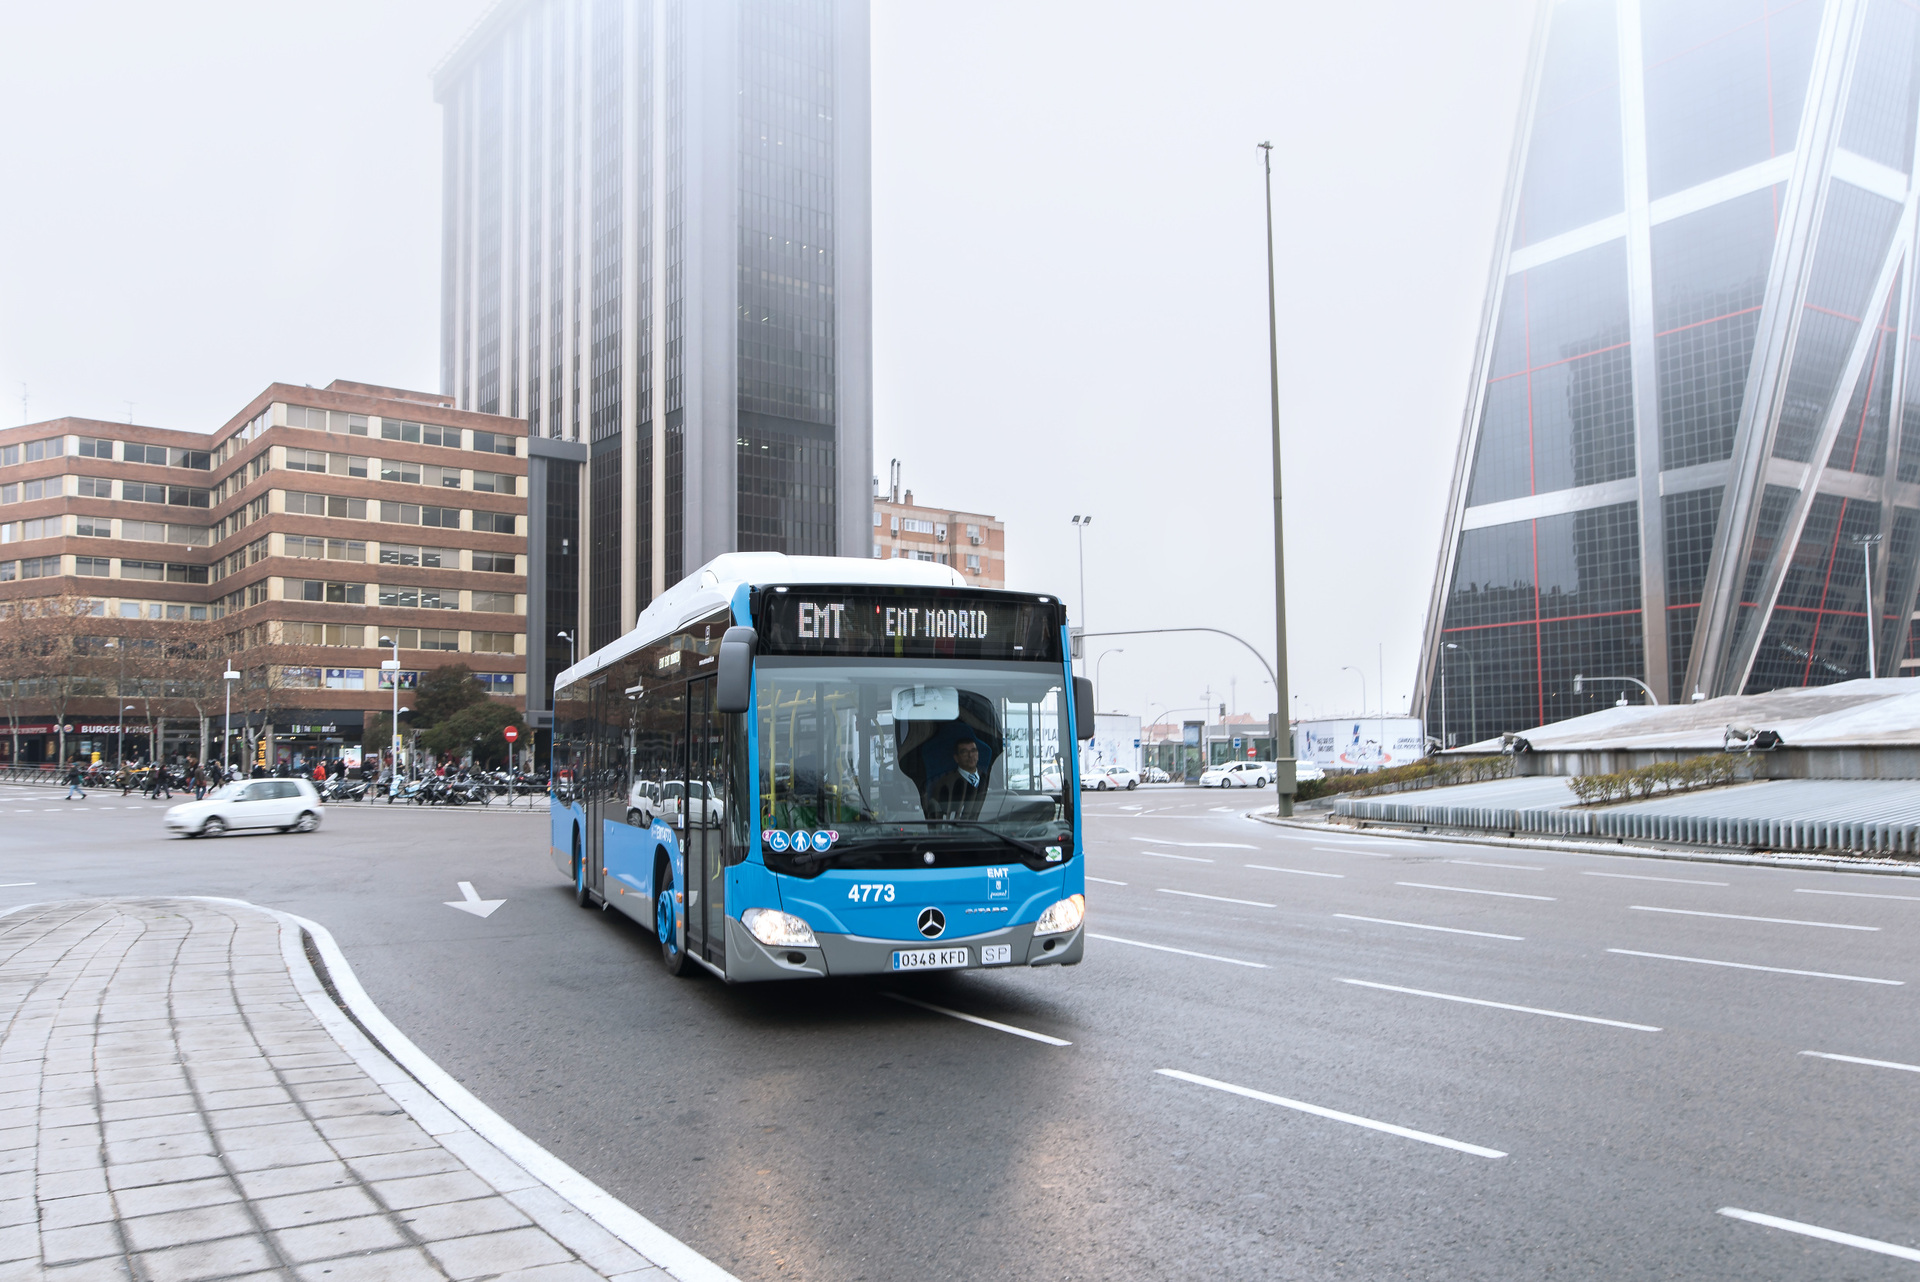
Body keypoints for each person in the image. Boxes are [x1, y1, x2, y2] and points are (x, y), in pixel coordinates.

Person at [924, 732, 990, 821]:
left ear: (978, 755)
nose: (970, 756)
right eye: (964, 752)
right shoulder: (945, 783)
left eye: (973, 751)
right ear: (956, 758)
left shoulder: (988, 779)